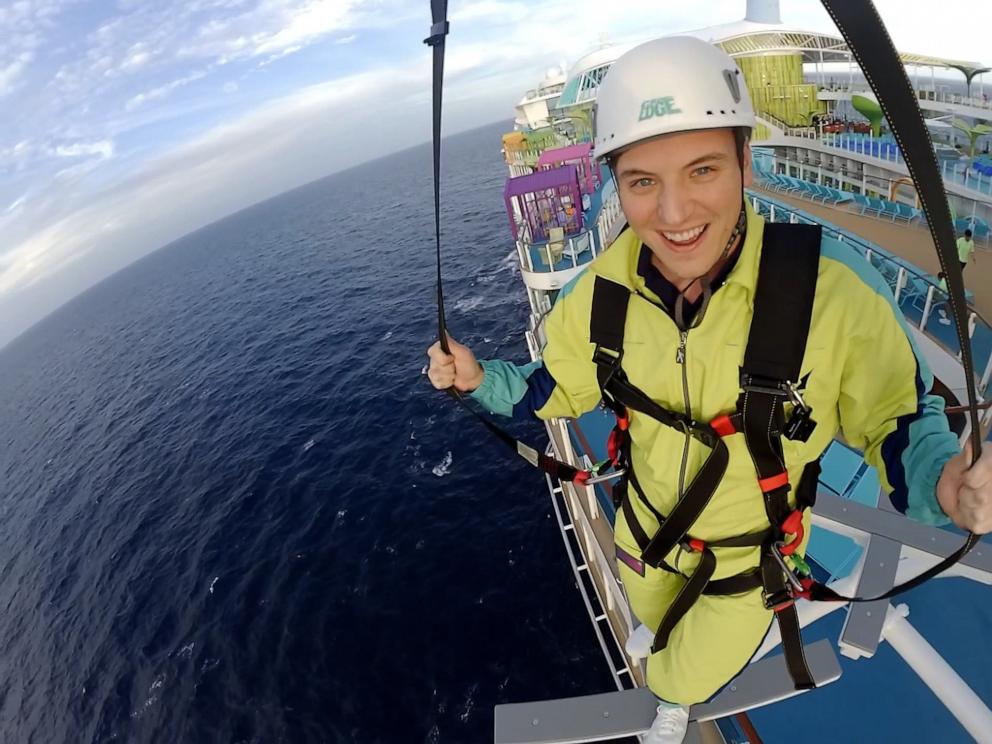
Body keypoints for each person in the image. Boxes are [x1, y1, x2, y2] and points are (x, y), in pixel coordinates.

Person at [427, 37, 992, 744]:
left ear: (745, 162)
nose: (672, 213)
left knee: (678, 675)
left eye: (702, 170)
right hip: (641, 538)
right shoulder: (598, 296)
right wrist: (480, 379)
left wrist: (947, 485)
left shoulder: (826, 293)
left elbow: (897, 419)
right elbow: (549, 390)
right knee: (657, 621)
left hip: (747, 564)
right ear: (616, 184)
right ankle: (660, 645)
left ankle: (672, 696)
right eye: (641, 182)